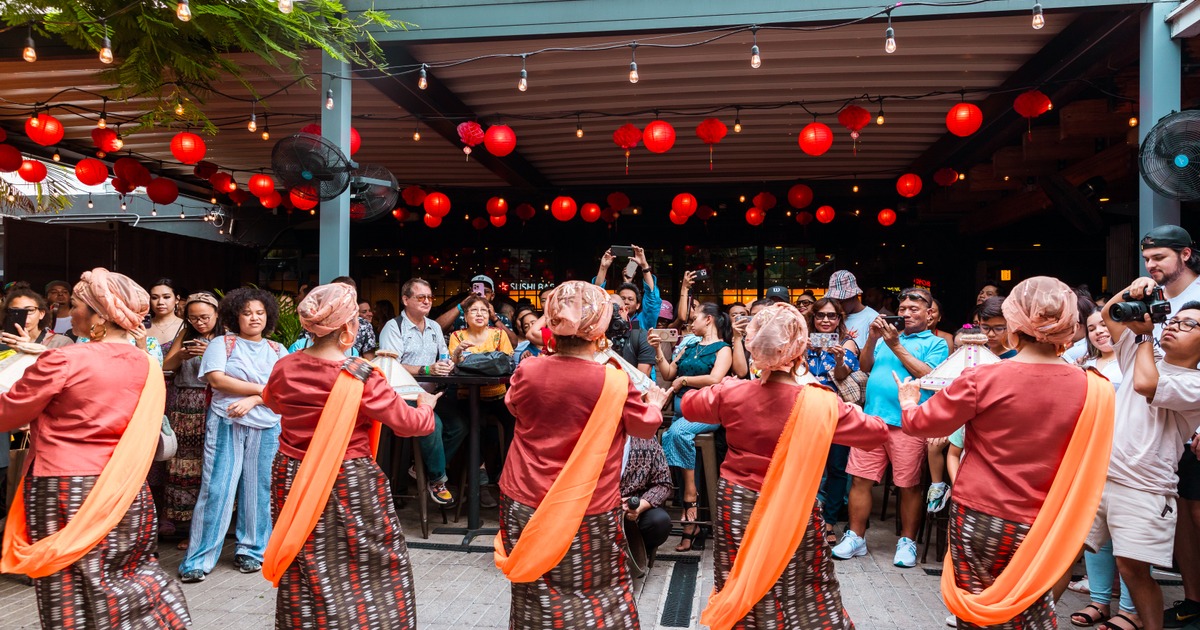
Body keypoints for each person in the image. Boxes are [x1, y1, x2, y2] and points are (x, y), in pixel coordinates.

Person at [901, 276, 1114, 630]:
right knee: (1031, 606)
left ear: (1014, 325)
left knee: (975, 608)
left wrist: (909, 401)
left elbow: (921, 424)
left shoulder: (983, 378)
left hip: (981, 515)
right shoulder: (1094, 387)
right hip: (1048, 520)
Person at [0, 268, 192, 628]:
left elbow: (8, 413)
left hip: (65, 486)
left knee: (66, 583)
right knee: (122, 571)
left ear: (100, 316)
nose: (69, 313)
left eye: (75, 305)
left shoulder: (65, 360)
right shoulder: (146, 364)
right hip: (128, 485)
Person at [685, 303, 887, 629]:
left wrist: (728, 387)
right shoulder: (819, 402)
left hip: (737, 504)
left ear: (754, 348)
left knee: (741, 577)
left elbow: (691, 406)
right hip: (794, 506)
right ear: (799, 351)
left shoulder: (731, 393)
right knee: (802, 583)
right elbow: (875, 432)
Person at [261, 283, 440, 630]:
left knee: (306, 557)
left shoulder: (285, 366)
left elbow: (272, 402)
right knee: (373, 558)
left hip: (292, 473)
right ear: (349, 327)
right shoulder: (361, 374)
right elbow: (408, 425)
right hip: (349, 477)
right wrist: (427, 407)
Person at [495, 280, 668, 629]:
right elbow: (645, 427)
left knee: (533, 591)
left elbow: (513, 405)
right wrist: (655, 404)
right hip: (588, 503)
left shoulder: (528, 369)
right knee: (597, 591)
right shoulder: (615, 381)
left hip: (526, 497)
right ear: (600, 329)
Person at [1089, 280, 1200, 630]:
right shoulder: (1144, 353)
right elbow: (1108, 315)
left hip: (1146, 487)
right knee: (1061, 555)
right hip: (1099, 476)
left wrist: (1143, 337)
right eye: (1175, 321)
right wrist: (1132, 290)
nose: (1175, 327)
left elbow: (1145, 384)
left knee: (1132, 569)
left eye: (1189, 325)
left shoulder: (1195, 382)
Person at [833, 286, 948, 568]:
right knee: (860, 479)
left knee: (907, 485)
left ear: (929, 314)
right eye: (902, 310)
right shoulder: (884, 338)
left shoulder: (937, 343)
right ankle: (855, 537)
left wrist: (896, 344)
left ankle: (906, 542)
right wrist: (872, 340)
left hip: (909, 423)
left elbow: (930, 376)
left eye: (913, 310)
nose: (906, 314)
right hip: (873, 419)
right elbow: (865, 366)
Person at [178, 287, 288, 583]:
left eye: (260, 313)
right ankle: (198, 558)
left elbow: (282, 391)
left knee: (259, 489)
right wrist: (262, 390)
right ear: (234, 316)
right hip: (227, 421)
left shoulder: (278, 350)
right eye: (247, 313)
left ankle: (252, 551)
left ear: (269, 316)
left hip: (266, 424)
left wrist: (254, 399)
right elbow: (217, 379)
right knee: (217, 488)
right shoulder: (222, 344)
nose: (254, 318)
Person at [1070, 307, 1135, 630]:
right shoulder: (1085, 365)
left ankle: (1129, 607)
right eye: (1093, 327)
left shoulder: (1136, 362)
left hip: (1129, 457)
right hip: (1092, 456)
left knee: (1127, 536)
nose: (1099, 330)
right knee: (1095, 534)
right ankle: (1099, 601)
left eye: (1105, 324)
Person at [653, 302, 733, 552]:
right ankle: (691, 524)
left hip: (708, 412)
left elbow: (714, 379)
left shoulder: (724, 349)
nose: (690, 323)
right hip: (682, 414)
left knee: (675, 433)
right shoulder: (687, 345)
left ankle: (689, 499)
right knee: (673, 434)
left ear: (708, 320)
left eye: (694, 319)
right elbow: (667, 373)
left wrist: (684, 381)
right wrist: (657, 349)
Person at [377, 278, 462, 506]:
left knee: (459, 426)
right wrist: (426, 368)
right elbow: (389, 365)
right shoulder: (394, 327)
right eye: (421, 297)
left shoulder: (434, 326)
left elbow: (442, 357)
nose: (427, 301)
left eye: (430, 297)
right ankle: (437, 480)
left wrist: (451, 362)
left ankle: (419, 467)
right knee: (433, 423)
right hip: (402, 396)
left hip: (432, 393)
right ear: (405, 300)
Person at [160, 292, 223, 550]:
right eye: (193, 318)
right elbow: (166, 365)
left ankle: (204, 529)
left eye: (205, 317)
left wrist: (212, 352)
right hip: (183, 407)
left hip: (212, 404)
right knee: (183, 467)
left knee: (209, 468)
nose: (199, 323)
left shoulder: (227, 338)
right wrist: (181, 357)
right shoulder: (184, 335)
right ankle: (183, 525)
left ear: (217, 314)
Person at [449, 294, 515, 507]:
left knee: (515, 426)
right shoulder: (457, 336)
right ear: (465, 316)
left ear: (490, 315)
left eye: (484, 310)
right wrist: (464, 356)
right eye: (474, 310)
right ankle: (477, 483)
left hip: (497, 395)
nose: (479, 314)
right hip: (467, 396)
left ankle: (509, 478)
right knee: (473, 430)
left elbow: (506, 362)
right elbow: (457, 366)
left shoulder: (498, 334)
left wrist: (472, 361)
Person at [806, 297, 863, 544]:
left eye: (831, 316)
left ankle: (829, 522)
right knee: (808, 469)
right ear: (813, 318)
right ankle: (807, 521)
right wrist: (801, 349)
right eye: (820, 316)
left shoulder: (847, 343)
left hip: (836, 411)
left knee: (837, 469)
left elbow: (841, 375)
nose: (826, 320)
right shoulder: (803, 341)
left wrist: (838, 359)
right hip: (806, 410)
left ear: (839, 319)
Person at [619, 437, 673, 569]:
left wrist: (640, 506)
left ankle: (639, 552)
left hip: (635, 503)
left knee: (659, 521)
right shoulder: (590, 439)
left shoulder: (646, 439)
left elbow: (663, 483)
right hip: (598, 506)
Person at [436, 274, 518, 346]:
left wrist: (494, 319)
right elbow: (436, 330)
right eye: (476, 290)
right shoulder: (461, 317)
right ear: (470, 293)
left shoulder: (501, 319)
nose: (480, 295)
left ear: (492, 296)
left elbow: (514, 343)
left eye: (485, 292)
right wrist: (461, 306)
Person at [595, 245, 662, 331]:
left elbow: (652, 300)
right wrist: (603, 268)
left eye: (630, 299)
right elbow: (596, 298)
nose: (626, 302)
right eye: (622, 298)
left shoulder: (644, 321)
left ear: (638, 305)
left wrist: (644, 266)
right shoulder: (606, 319)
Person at [0, 284, 74, 350]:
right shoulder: (1, 339)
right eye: (16, 311)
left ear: (41, 314)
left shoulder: (61, 343)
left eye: (30, 310)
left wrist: (27, 348)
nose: (24, 316)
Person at [827, 271, 878, 348]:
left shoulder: (873, 318)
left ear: (853, 295)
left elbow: (875, 353)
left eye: (840, 301)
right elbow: (823, 344)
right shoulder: (834, 316)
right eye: (834, 301)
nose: (837, 306)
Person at [607, 293, 655, 375]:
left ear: (625, 310)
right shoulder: (597, 335)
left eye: (615, 310)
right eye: (608, 310)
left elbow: (643, 378)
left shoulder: (641, 335)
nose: (612, 315)